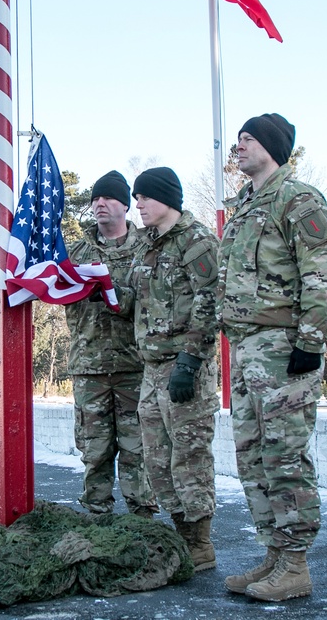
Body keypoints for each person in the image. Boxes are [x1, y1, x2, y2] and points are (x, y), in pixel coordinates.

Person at [217, 113, 327, 601]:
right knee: (251, 456)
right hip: (246, 346)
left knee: (285, 454)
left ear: (272, 146)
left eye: (248, 140)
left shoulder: (299, 198)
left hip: (283, 346)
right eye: (239, 140)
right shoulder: (244, 205)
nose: (239, 147)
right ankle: (273, 552)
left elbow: (320, 271)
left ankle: (295, 564)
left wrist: (310, 342)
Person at [115, 166, 220, 571]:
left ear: (167, 199)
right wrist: (104, 292)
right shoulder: (147, 245)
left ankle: (199, 542)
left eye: (143, 197)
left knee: (189, 456)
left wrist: (191, 359)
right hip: (152, 368)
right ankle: (179, 532)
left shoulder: (195, 242)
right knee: (156, 458)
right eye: (136, 198)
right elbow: (140, 302)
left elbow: (210, 300)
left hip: (184, 367)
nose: (137, 204)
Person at [64, 171, 158, 519]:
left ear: (125, 206)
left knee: (138, 448)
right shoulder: (74, 252)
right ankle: (97, 516)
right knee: (94, 449)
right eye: (95, 199)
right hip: (89, 367)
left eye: (107, 198)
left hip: (135, 364)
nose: (99, 204)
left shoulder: (148, 247)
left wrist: (120, 294)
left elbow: (158, 299)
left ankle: (142, 518)